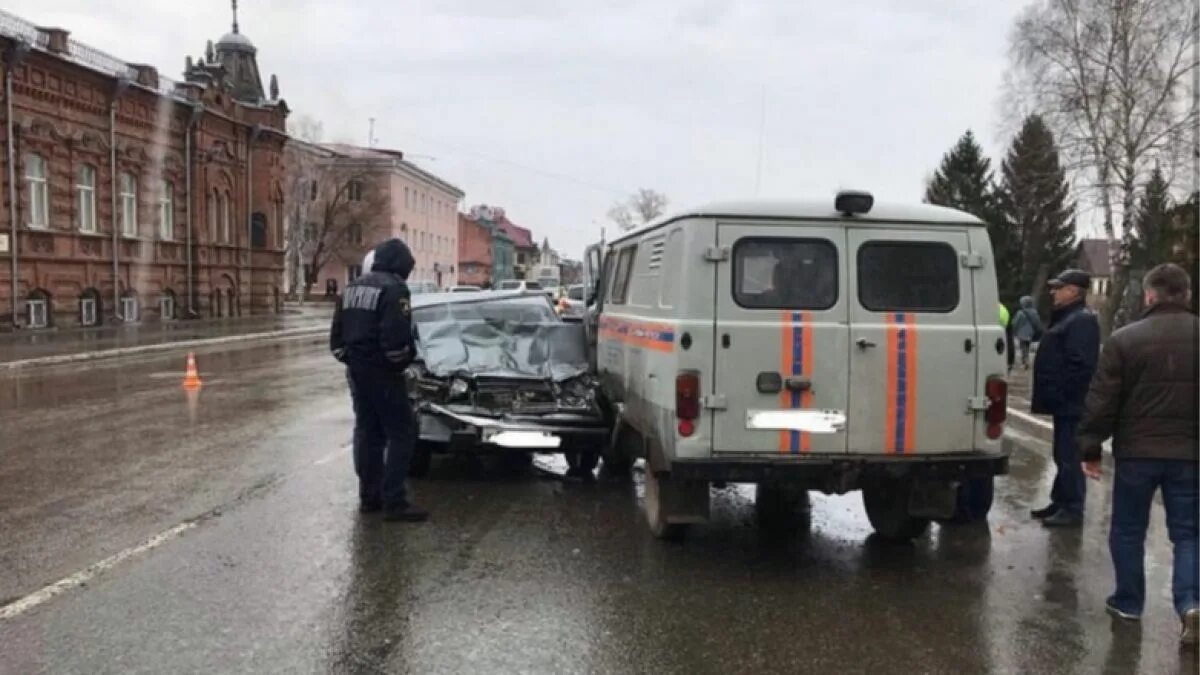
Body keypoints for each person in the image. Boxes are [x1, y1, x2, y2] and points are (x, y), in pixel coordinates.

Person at [1075, 263, 1198, 644]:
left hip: (1137, 453)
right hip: (1192, 454)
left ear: (1149, 295)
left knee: (1128, 529)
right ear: (1186, 294)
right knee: (1190, 533)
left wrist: (1090, 448)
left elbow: (1102, 400)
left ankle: (1128, 601)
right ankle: (1191, 602)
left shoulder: (1124, 340)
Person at [330, 238, 428, 522]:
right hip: (383, 373)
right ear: (401, 265)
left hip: (358, 372)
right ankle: (394, 501)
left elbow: (336, 339)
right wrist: (401, 362)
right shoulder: (395, 289)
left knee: (367, 431)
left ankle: (369, 497)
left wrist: (353, 360)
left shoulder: (352, 287)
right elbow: (395, 338)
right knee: (402, 431)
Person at [1030, 268, 1100, 527]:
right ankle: (1060, 500)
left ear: (1072, 291)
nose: (1053, 292)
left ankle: (1072, 507)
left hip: (1072, 404)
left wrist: (1061, 393)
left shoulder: (1080, 320)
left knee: (1069, 456)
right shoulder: (1067, 318)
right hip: (1064, 403)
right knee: (1061, 454)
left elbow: (1080, 365)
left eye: (1058, 287)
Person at [1011, 295, 1043, 369]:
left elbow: (1015, 323)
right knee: (1027, 347)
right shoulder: (1034, 312)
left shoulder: (1020, 313)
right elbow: (1037, 322)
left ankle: (1025, 361)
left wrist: (1014, 330)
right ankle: (1026, 360)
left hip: (1022, 333)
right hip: (1031, 333)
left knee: (1023, 347)